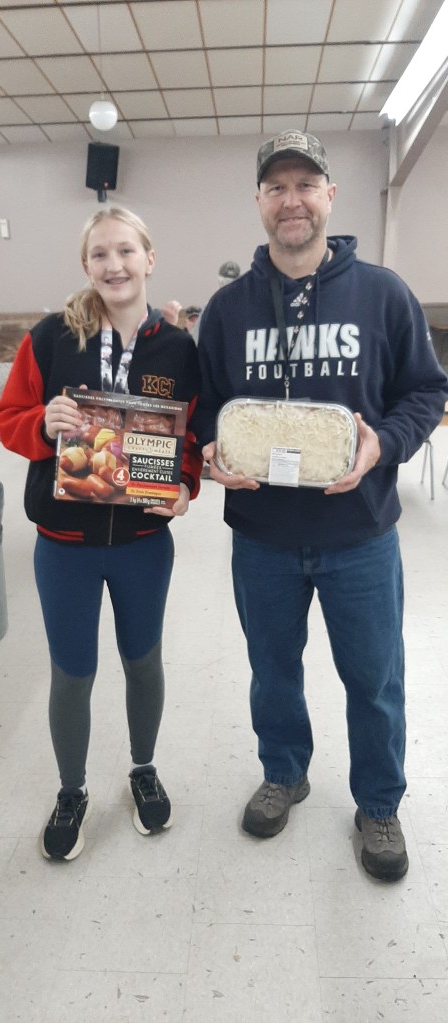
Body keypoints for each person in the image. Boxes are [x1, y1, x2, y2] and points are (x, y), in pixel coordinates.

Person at [192, 129, 448, 882]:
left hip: (358, 533)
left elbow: (425, 391)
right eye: (276, 187)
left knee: (373, 678)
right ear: (259, 202)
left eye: (306, 184)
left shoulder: (383, 293)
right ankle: (284, 771)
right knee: (272, 670)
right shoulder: (228, 309)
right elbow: (206, 406)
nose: (292, 200)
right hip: (262, 535)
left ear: (330, 196)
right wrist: (209, 449)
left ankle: (378, 804)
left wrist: (383, 447)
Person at [0, 205, 202, 861]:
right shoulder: (51, 337)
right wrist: (42, 423)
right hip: (65, 546)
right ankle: (72, 789)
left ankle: (143, 769)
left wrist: (183, 486)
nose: (114, 265)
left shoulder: (177, 348)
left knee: (143, 661)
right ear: (86, 265)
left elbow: (190, 436)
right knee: (72, 672)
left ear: (149, 258)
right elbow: (8, 417)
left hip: (142, 544)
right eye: (100, 254)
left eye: (125, 251)